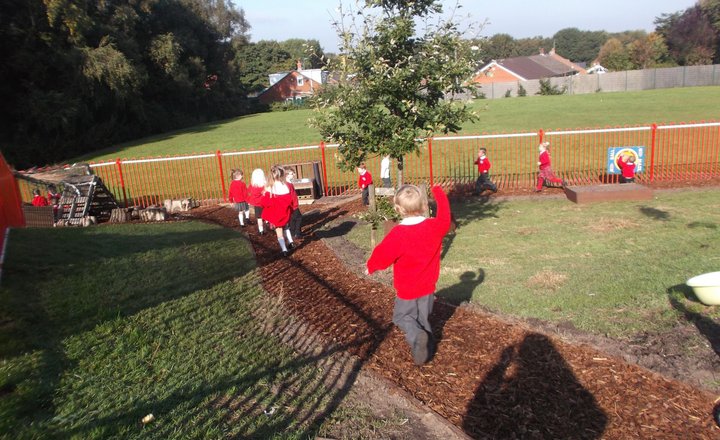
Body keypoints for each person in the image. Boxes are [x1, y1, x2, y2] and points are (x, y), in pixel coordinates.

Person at [366, 184, 451, 366]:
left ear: (399, 208)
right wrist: (439, 193)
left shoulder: (399, 234)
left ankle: (417, 336)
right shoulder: (434, 227)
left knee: (402, 317)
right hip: (428, 286)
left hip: (407, 288)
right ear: (423, 205)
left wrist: (371, 266)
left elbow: (383, 255)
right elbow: (445, 217)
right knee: (422, 318)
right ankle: (427, 348)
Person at [261, 165, 296, 256]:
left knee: (279, 231)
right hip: (285, 212)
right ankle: (291, 241)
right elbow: (290, 201)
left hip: (275, 214)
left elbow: (265, 203)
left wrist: (264, 195)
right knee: (286, 227)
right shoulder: (286, 186)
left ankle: (284, 250)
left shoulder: (270, 188)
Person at [285, 168, 303, 239]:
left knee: (292, 219)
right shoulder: (288, 184)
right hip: (293, 205)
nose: (294, 175)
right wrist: (293, 204)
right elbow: (290, 195)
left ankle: (292, 233)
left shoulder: (288, 183)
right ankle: (297, 233)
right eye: (292, 174)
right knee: (299, 218)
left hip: (292, 205)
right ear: (287, 175)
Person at [248, 168, 267, 235]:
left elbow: (249, 191)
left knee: (259, 218)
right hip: (264, 203)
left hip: (257, 204)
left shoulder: (253, 185)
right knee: (265, 216)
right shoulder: (264, 185)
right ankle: (266, 227)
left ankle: (261, 230)